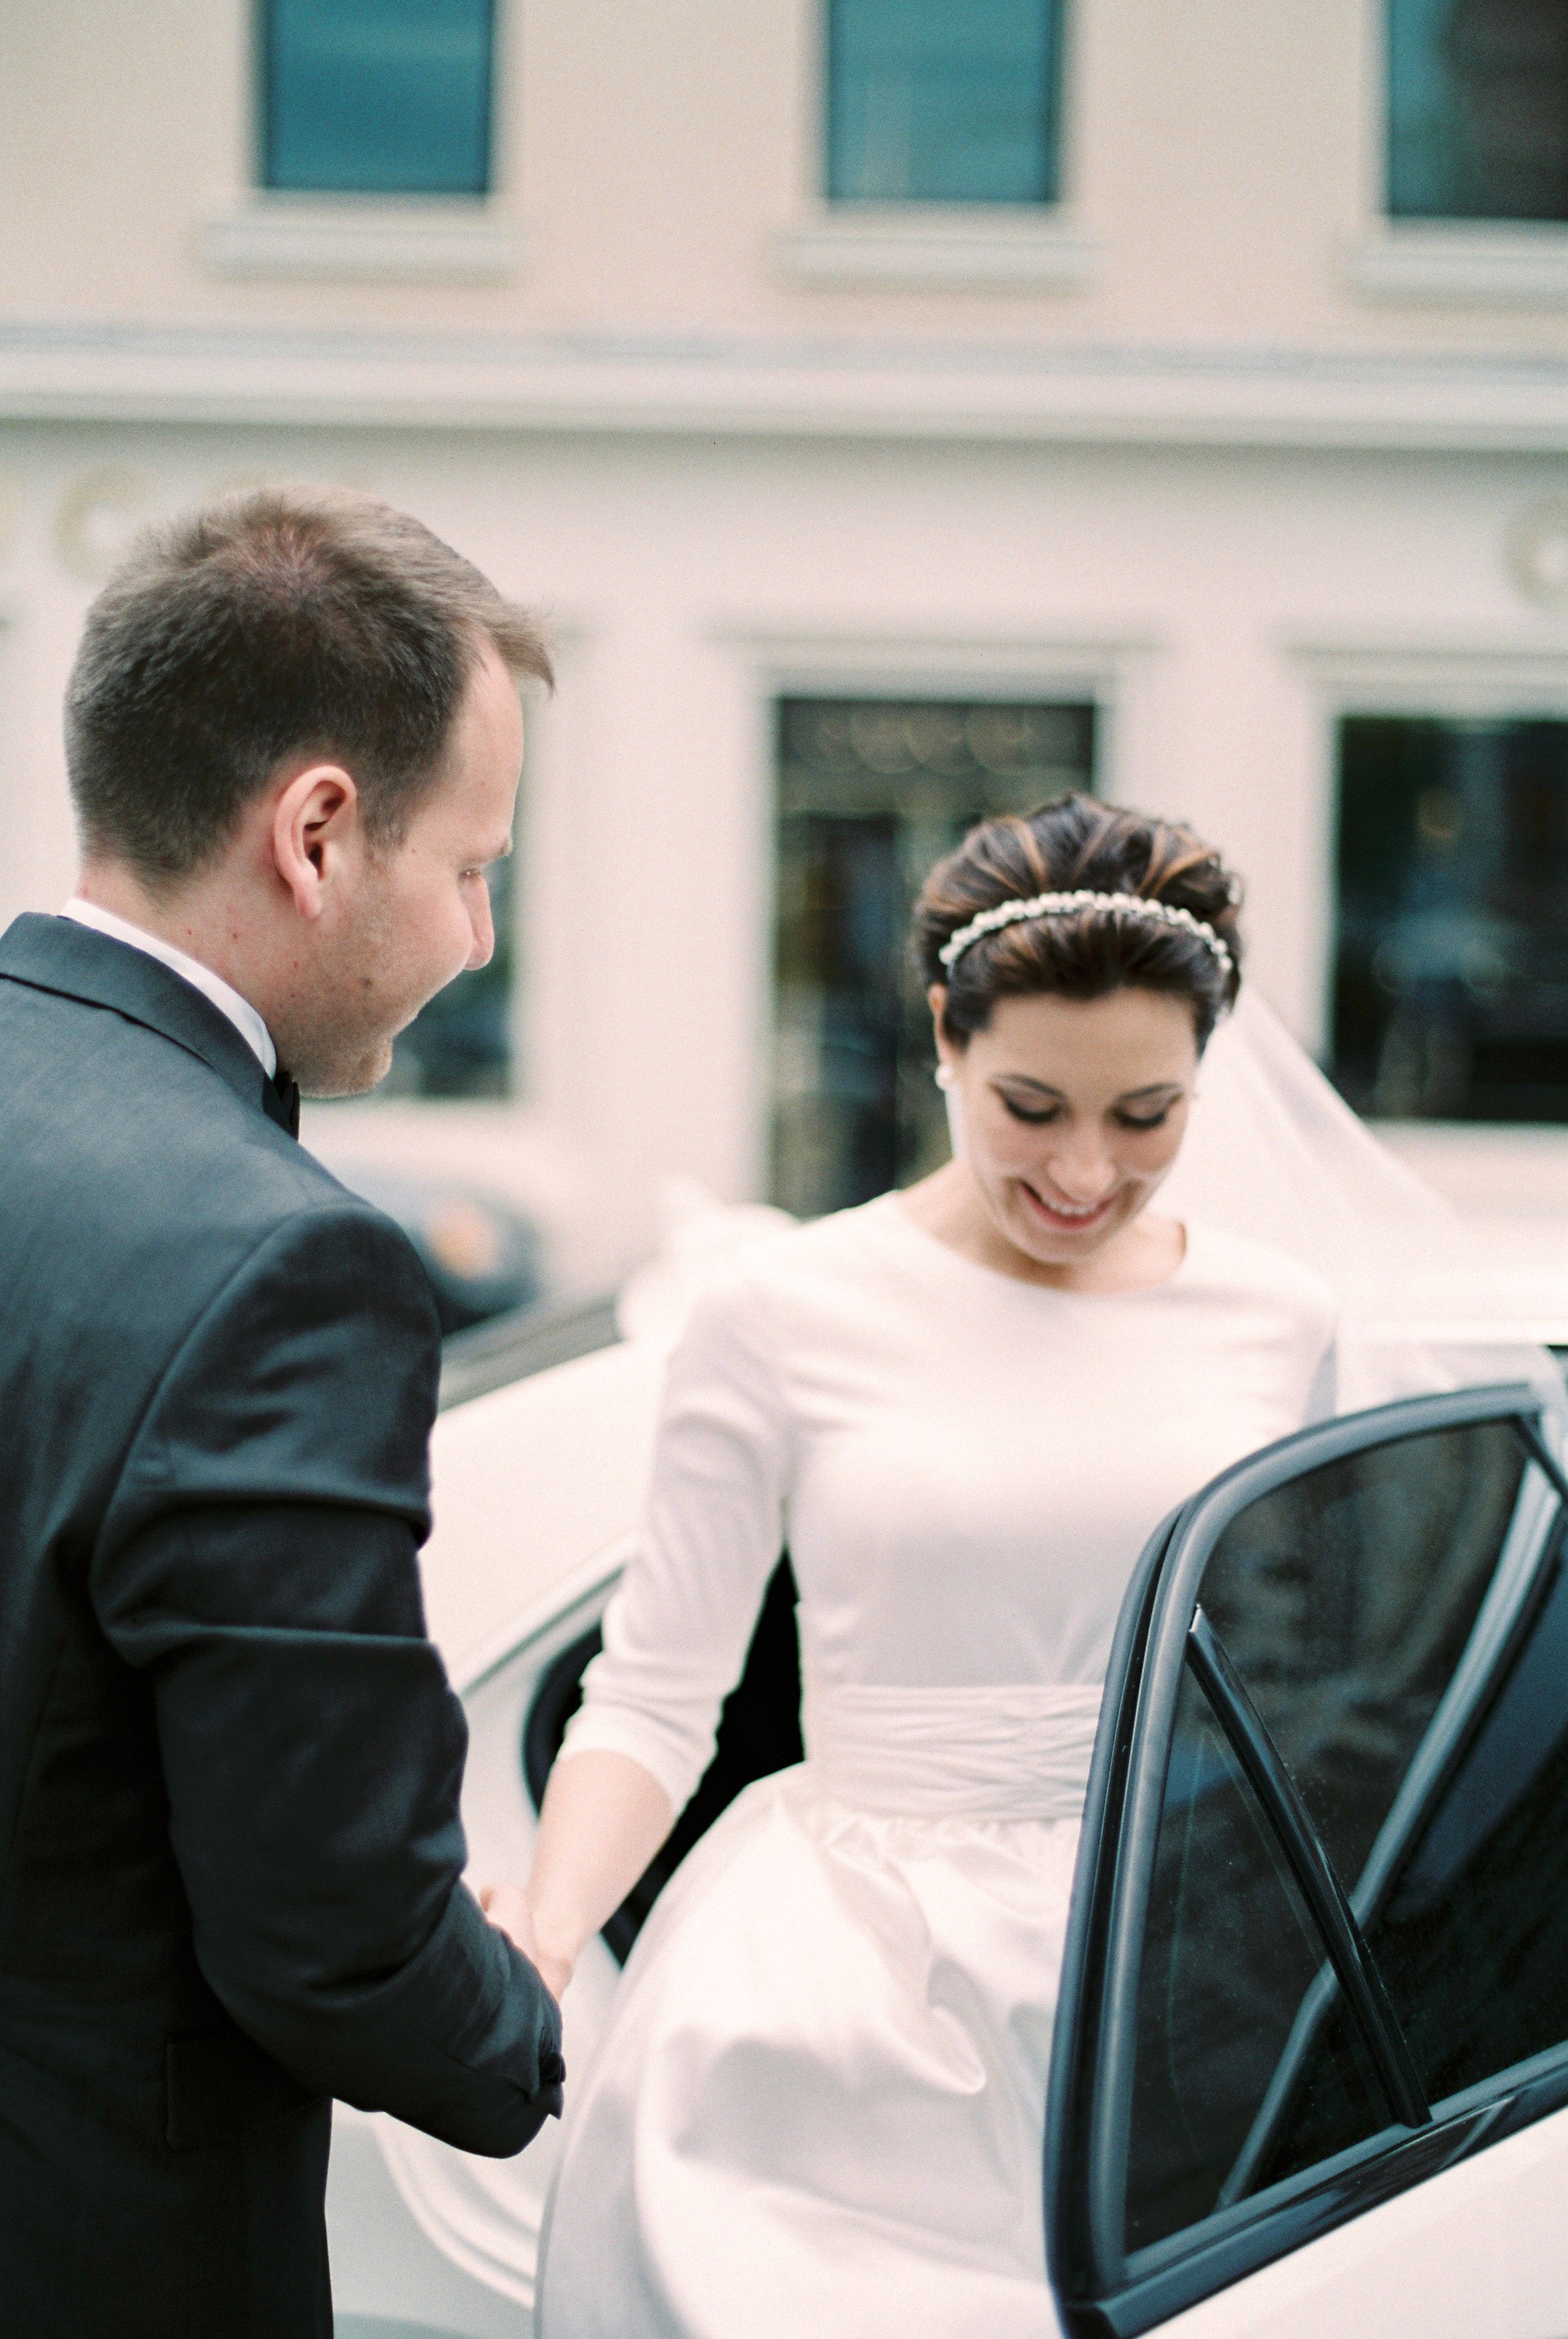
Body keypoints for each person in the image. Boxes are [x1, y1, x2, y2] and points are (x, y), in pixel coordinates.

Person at [527, 794, 1346, 2338]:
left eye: (1145, 1115)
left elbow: (1295, 1697)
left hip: (1161, 1989)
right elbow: (653, 1690)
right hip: (833, 1997)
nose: (1086, 1173)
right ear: (941, 1044)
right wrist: (549, 1929)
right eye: (1030, 1107)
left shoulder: (1280, 1321)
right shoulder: (780, 1309)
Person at [0, 489, 565, 2339]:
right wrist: (543, 2043)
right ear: (318, 832)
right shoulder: (276, 1269)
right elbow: (329, 1935)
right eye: (474, 868)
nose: (477, 937)